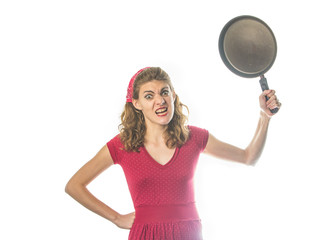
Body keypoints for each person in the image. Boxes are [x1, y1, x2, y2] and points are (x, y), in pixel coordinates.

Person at [65, 67, 281, 240]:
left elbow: (248, 157)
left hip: (189, 234)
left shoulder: (195, 138)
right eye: (149, 96)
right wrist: (116, 218)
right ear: (137, 104)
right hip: (144, 235)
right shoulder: (123, 145)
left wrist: (265, 117)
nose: (160, 100)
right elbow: (74, 186)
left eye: (164, 92)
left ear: (173, 96)